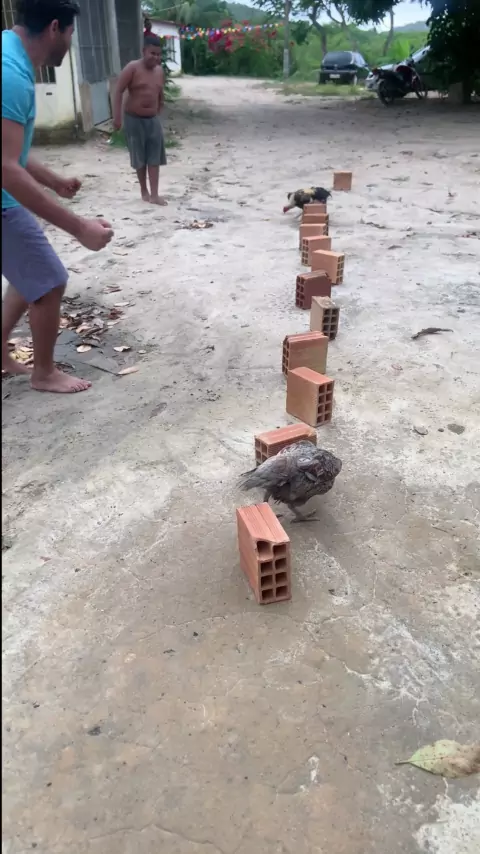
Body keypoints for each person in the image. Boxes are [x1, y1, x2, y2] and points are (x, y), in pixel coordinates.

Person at [2, 0, 114, 394]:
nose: (70, 42)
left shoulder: (8, 54)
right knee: (49, 281)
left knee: (29, 273)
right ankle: (45, 373)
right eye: (70, 33)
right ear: (54, 28)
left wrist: (53, 181)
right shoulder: (10, 74)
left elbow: (9, 149)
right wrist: (79, 226)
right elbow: (5, 167)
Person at [113, 35, 167, 206]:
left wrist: (160, 107)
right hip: (134, 119)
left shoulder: (159, 71)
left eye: (158, 54)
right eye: (152, 53)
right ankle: (144, 190)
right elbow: (118, 91)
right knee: (139, 157)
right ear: (144, 51)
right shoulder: (132, 68)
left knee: (154, 156)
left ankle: (155, 194)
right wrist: (117, 117)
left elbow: (160, 92)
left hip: (152, 119)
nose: (156, 57)